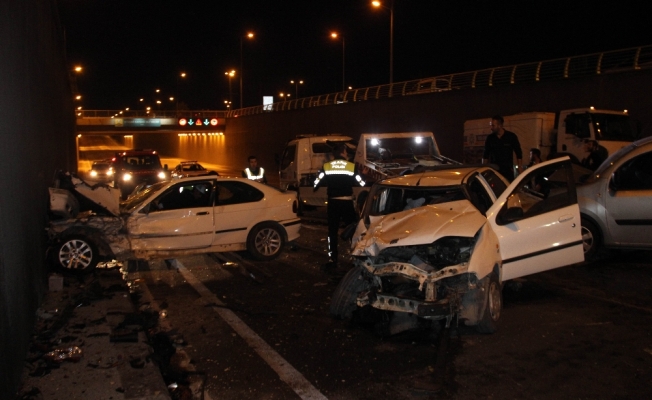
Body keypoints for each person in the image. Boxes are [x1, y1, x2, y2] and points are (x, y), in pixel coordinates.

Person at [313, 143, 365, 271]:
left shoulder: (326, 166)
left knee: (332, 232)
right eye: (346, 152)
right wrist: (361, 174)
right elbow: (361, 182)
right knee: (352, 231)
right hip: (347, 202)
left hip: (333, 203)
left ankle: (333, 260)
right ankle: (355, 258)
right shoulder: (351, 166)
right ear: (343, 153)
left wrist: (319, 182)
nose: (347, 155)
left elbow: (316, 183)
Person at [482, 115, 523, 181]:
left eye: (493, 125)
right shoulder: (490, 138)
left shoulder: (511, 136)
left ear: (500, 125)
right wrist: (483, 169)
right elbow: (485, 155)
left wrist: (520, 167)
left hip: (507, 170)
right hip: (495, 170)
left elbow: (518, 152)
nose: (491, 128)